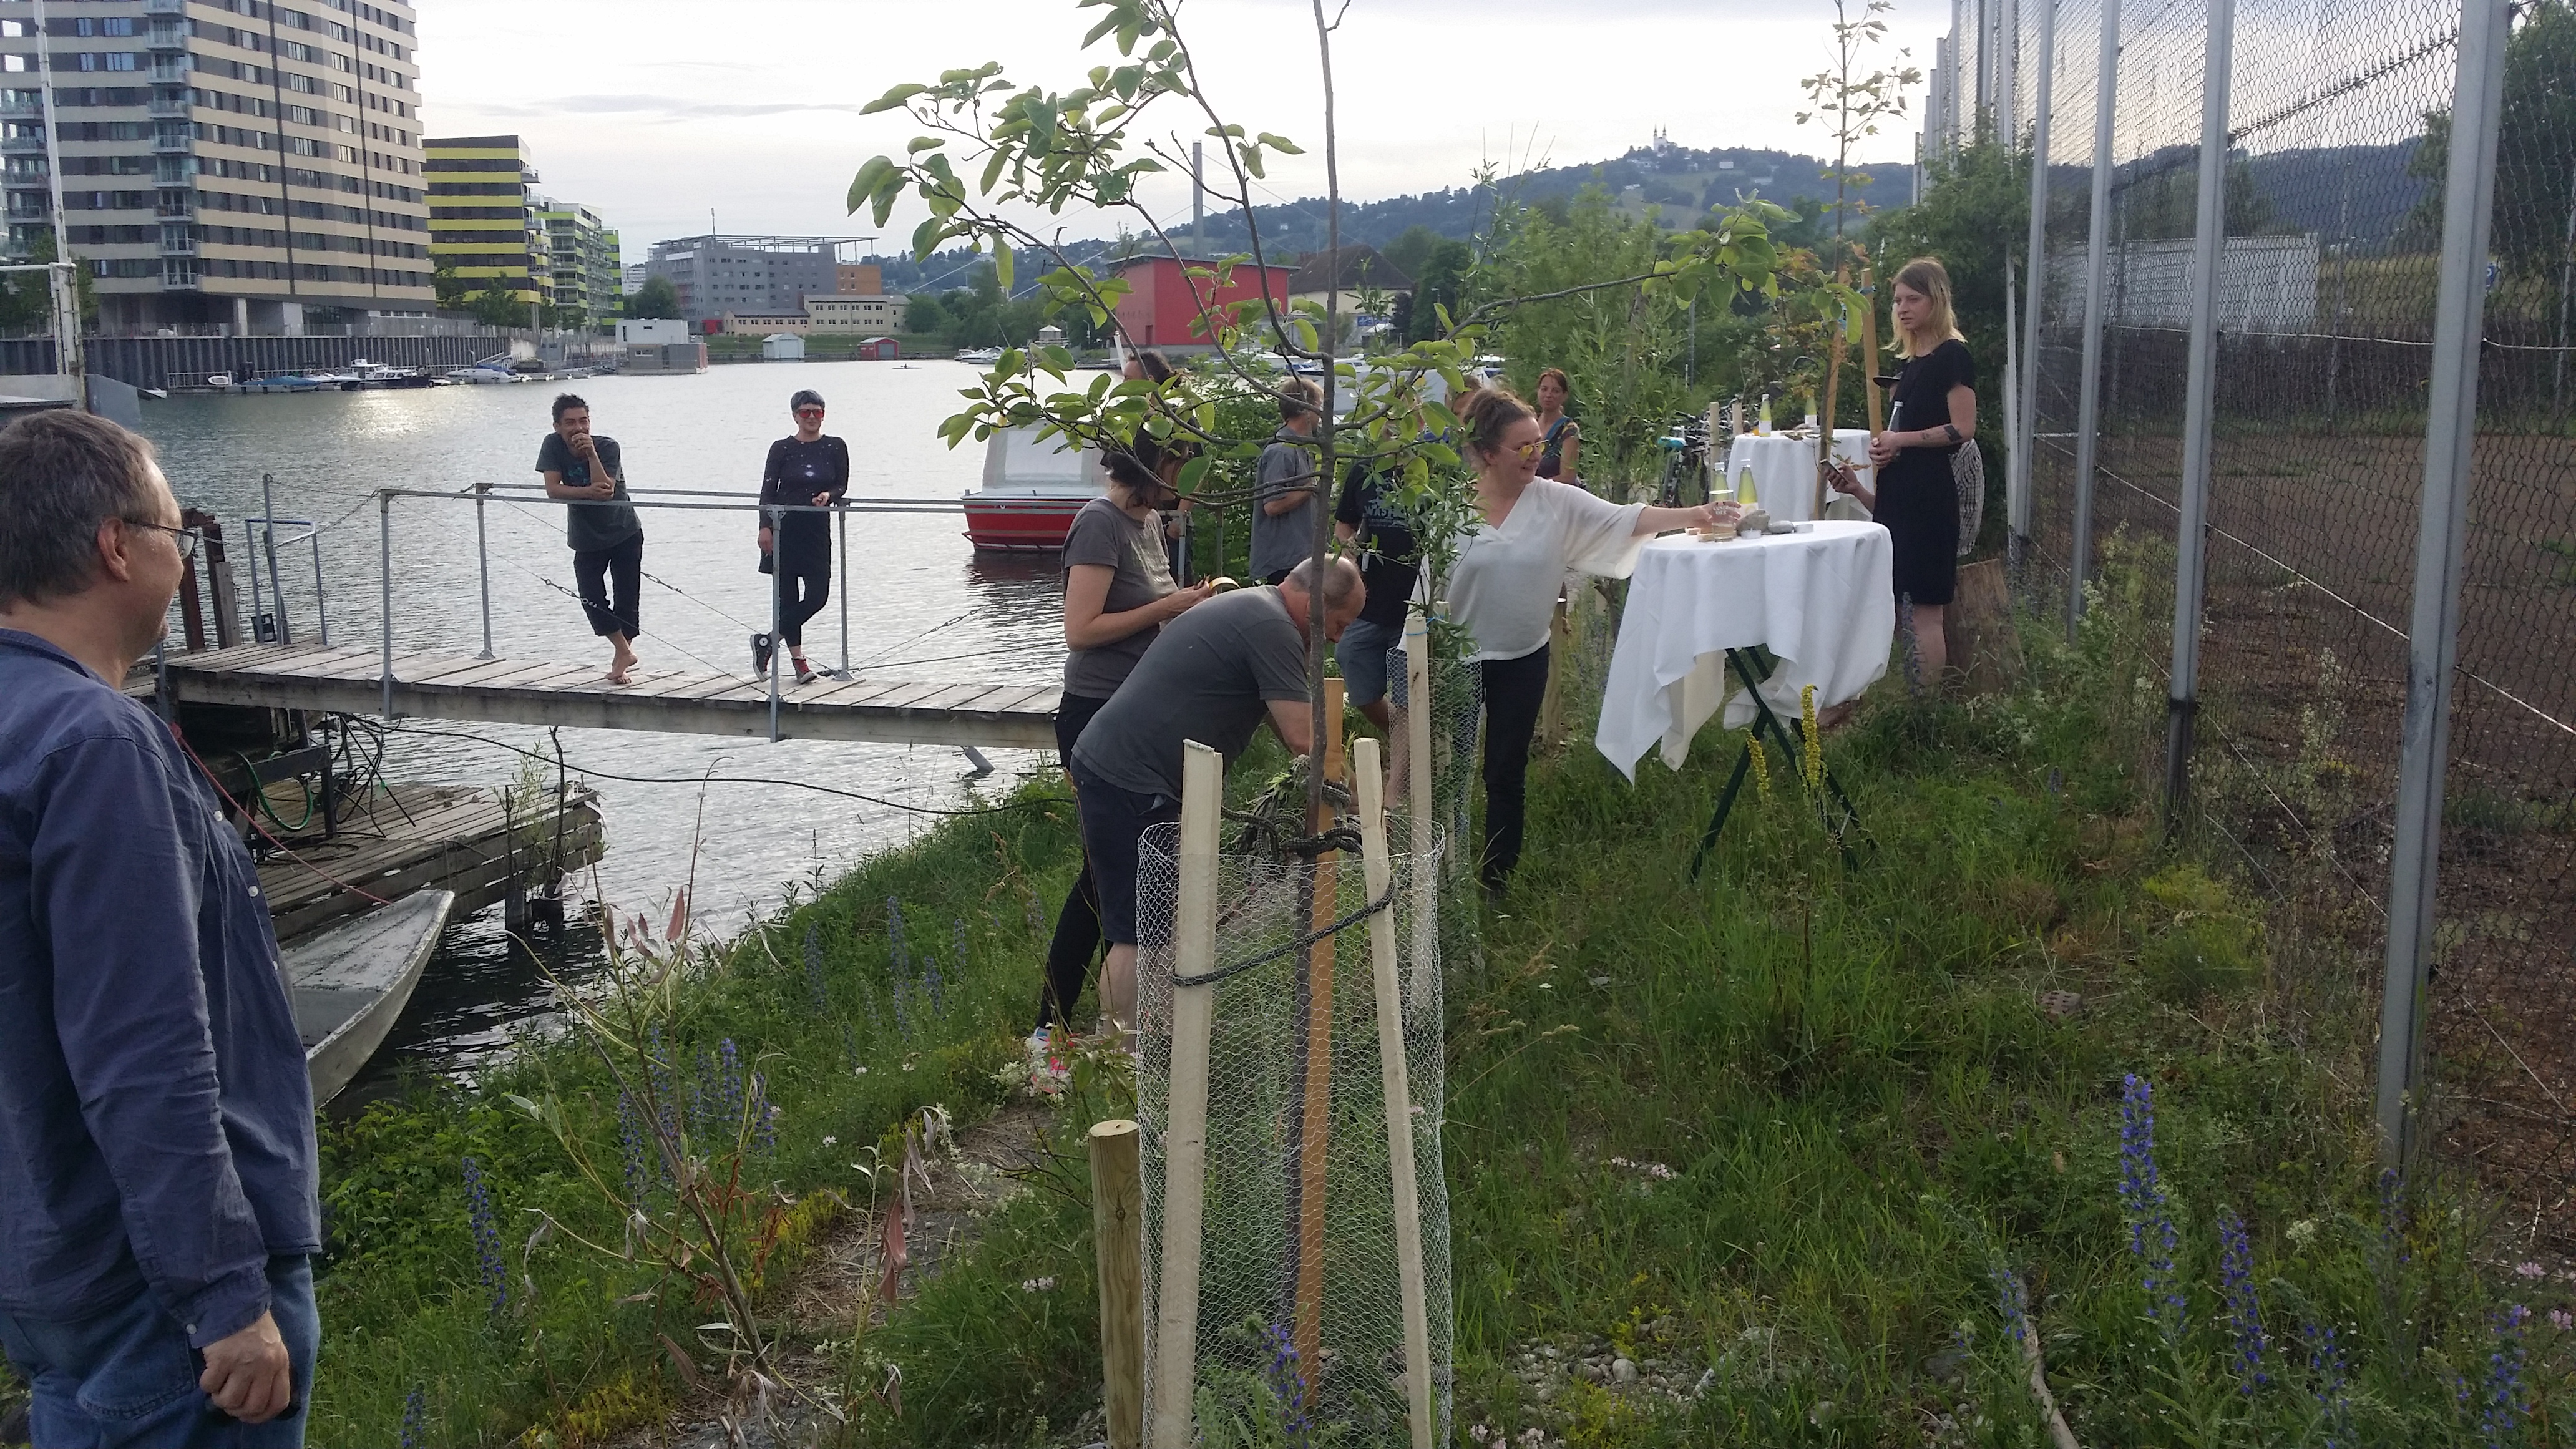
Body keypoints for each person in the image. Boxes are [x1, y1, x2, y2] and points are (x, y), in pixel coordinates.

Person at [0, 411, 320, 1445]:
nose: (183, 558)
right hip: (162, 1303)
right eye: (175, 532)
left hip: (51, 1263)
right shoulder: (96, 745)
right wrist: (221, 1292)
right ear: (116, 545)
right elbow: (144, 1046)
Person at [1449, 388, 1735, 895]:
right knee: (1448, 768)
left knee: (1505, 771)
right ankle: (1442, 876)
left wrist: (1697, 514)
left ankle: (1497, 881)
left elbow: (1626, 518)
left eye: (1539, 443)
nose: (1537, 454)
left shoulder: (1554, 501)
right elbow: (1424, 591)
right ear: (1488, 453)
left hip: (1522, 658)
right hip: (1458, 660)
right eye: (1523, 447)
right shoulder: (1452, 511)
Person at [1070, 555, 1365, 1037]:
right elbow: (1303, 738)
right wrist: (1359, 799)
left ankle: (1154, 1037)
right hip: (1130, 778)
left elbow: (1283, 721)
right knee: (1140, 932)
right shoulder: (1274, 628)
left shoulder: (1258, 610)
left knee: (1154, 919)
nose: (1338, 638)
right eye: (1340, 624)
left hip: (1131, 770)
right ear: (1314, 606)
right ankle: (1121, 1054)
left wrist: (1342, 794)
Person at [1032, 437, 1214, 1047]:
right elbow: (1081, 630)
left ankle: (1090, 1023)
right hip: (1096, 712)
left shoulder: (1151, 521)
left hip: (1140, 713)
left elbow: (1154, 611)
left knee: (1114, 872)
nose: (1185, 482)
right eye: (1178, 468)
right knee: (1102, 874)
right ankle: (1053, 1027)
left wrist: (1190, 612)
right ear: (1151, 466)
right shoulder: (1099, 523)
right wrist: (1169, 606)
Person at [1830, 255, 1976, 684]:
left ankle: (1926, 711)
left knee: (1925, 613)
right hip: (1901, 499)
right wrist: (1864, 482)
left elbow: (1963, 428)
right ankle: (1913, 698)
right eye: (1897, 301)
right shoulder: (1912, 364)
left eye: (1913, 299)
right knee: (1900, 609)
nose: (1902, 308)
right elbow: (1903, 441)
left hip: (1931, 500)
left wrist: (1900, 441)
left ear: (1937, 300)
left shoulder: (1953, 356)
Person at [537, 393, 644, 685]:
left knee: (627, 599)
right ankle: (624, 652)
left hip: (624, 531)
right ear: (558, 426)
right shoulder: (552, 445)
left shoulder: (608, 447)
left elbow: (605, 490)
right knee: (591, 598)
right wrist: (587, 493)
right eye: (571, 422)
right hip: (585, 537)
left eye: (584, 421)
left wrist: (592, 454)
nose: (579, 428)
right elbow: (553, 490)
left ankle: (622, 659)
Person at [754, 389, 851, 684]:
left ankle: (767, 641)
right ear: (795, 416)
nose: (811, 417)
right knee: (788, 599)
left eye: (817, 412)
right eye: (805, 412)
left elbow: (842, 485)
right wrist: (764, 527)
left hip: (816, 529)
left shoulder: (835, 446)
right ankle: (799, 664)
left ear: (824, 415)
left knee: (817, 597)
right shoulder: (781, 448)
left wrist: (828, 495)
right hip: (784, 528)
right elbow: (768, 491)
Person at [1332, 443, 1422, 732]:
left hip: (1416, 605)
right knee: (1353, 666)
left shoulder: (1429, 469)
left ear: (1421, 422)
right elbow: (1344, 525)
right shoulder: (1364, 470)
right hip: (1369, 602)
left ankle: (1414, 752)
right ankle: (1403, 740)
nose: (1393, 428)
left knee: (1411, 694)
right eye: (1388, 422)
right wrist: (1349, 554)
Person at [1251, 378, 1324, 587]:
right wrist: (1311, 488)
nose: (1321, 414)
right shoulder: (1282, 451)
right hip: (1285, 563)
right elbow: (1272, 506)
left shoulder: (1300, 448)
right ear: (1305, 409)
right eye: (1318, 406)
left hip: (1298, 559)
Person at [1533, 366, 1583, 485]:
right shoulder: (1531, 423)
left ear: (1565, 396)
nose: (1549, 395)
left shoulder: (1569, 431)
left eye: (1555, 391)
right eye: (1544, 389)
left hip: (1557, 493)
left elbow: (1568, 477)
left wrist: (1534, 486)